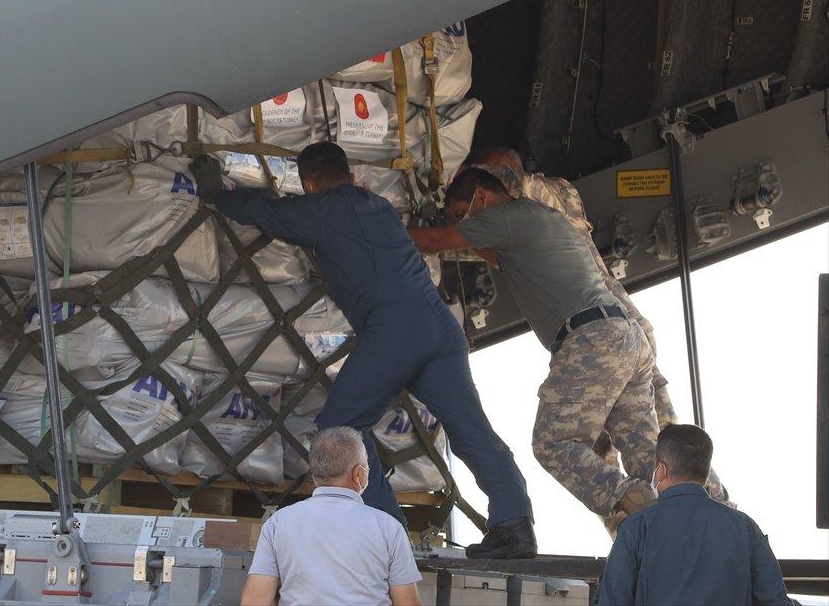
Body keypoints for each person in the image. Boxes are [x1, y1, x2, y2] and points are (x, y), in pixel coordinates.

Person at [190, 143, 536, 559]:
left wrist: (215, 191)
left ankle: (384, 533)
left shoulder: (321, 210)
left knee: (341, 425)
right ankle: (515, 524)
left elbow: (265, 211)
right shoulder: (377, 205)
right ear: (353, 177)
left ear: (309, 184)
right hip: (440, 329)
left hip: (396, 329)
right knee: (469, 429)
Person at [470, 147, 729, 532]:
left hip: (612, 333)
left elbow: (518, 189)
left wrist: (473, 180)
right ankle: (647, 537)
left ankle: (719, 514)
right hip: (612, 338)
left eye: (487, 187)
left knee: (657, 443)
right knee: (625, 454)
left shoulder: (553, 195)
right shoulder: (517, 228)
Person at [409, 167, 658, 527]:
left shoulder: (506, 216)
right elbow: (487, 254)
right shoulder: (538, 221)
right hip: (626, 339)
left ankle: (629, 499)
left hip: (591, 340)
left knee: (553, 442)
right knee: (642, 447)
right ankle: (681, 509)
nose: (463, 225)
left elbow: (434, 242)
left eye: (462, 215)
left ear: (481, 197)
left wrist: (377, 227)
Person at [596, 424, 792, 606]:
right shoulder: (746, 528)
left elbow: (611, 600)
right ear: (705, 473)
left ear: (661, 470)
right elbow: (775, 600)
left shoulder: (636, 528)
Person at [240, 427, 423, 606]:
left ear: (315, 471)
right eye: (368, 464)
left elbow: (254, 602)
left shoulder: (278, 523)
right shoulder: (389, 528)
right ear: (358, 473)